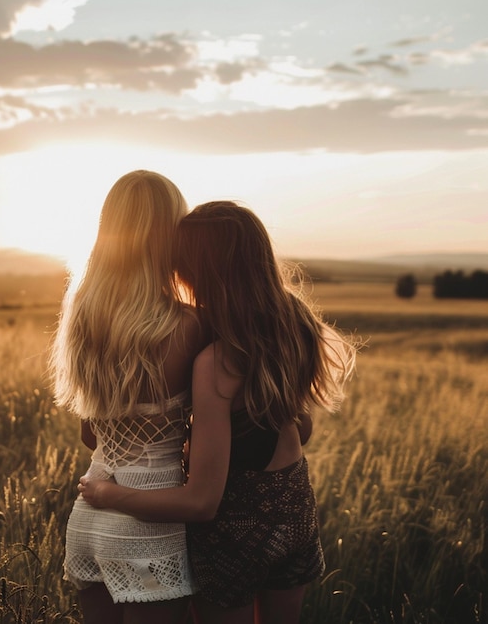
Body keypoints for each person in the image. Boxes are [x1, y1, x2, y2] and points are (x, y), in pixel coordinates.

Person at [78, 201, 357, 624]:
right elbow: (301, 428)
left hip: (232, 530)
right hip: (294, 509)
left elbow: (201, 502)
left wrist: (108, 494)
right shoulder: (291, 323)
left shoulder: (216, 362)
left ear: (195, 272)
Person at [50, 170, 208, 624]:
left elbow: (89, 435)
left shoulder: (82, 315)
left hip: (89, 516)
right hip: (151, 525)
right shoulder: (190, 325)